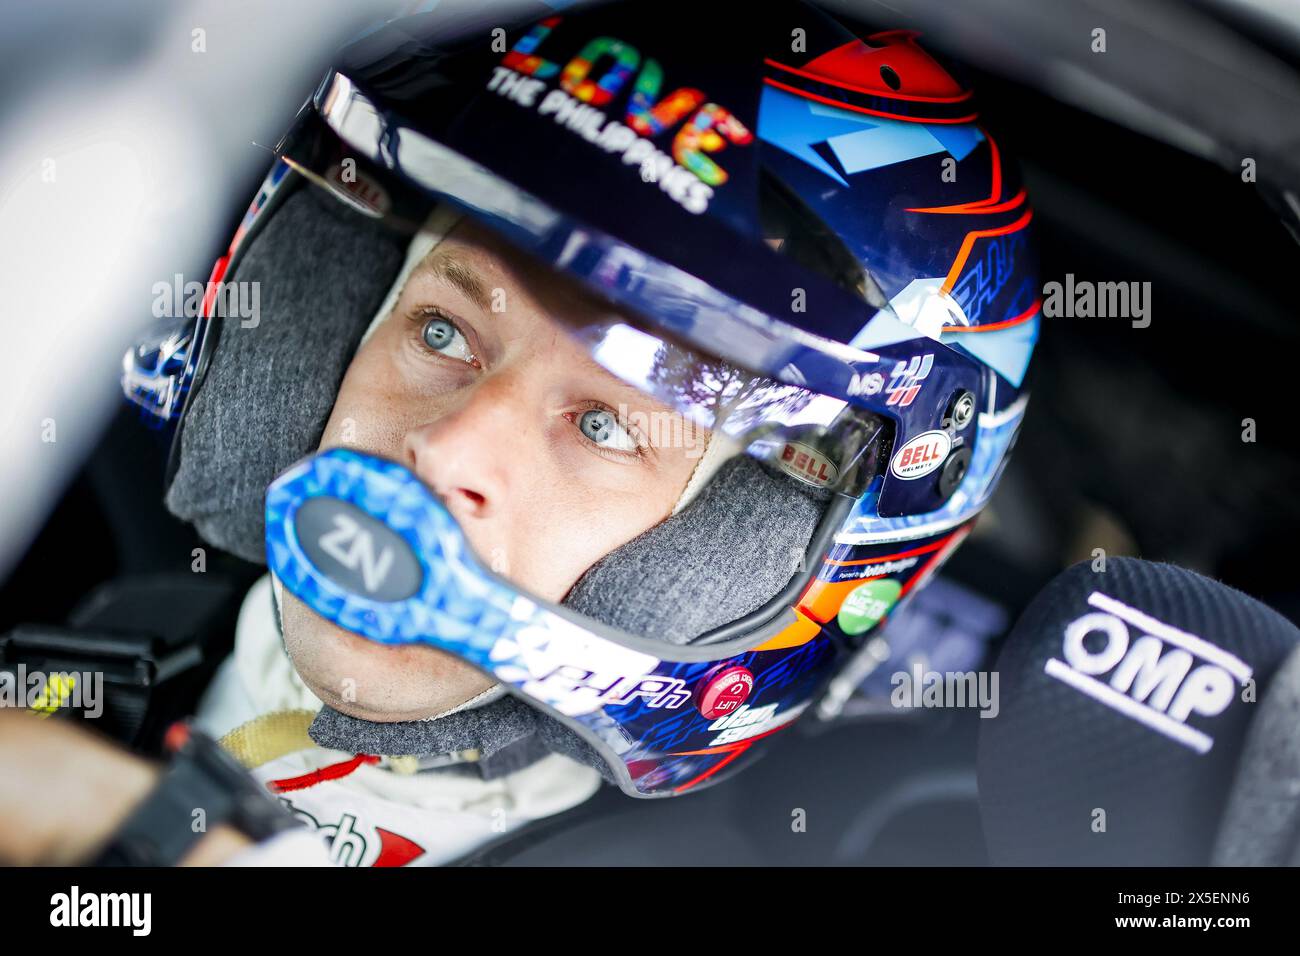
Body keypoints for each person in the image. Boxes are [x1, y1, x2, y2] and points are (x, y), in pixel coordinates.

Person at [2, 0, 1040, 866]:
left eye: (603, 423)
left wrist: (129, 838)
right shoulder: (126, 625)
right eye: (442, 329)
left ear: (741, 553)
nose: (449, 452)